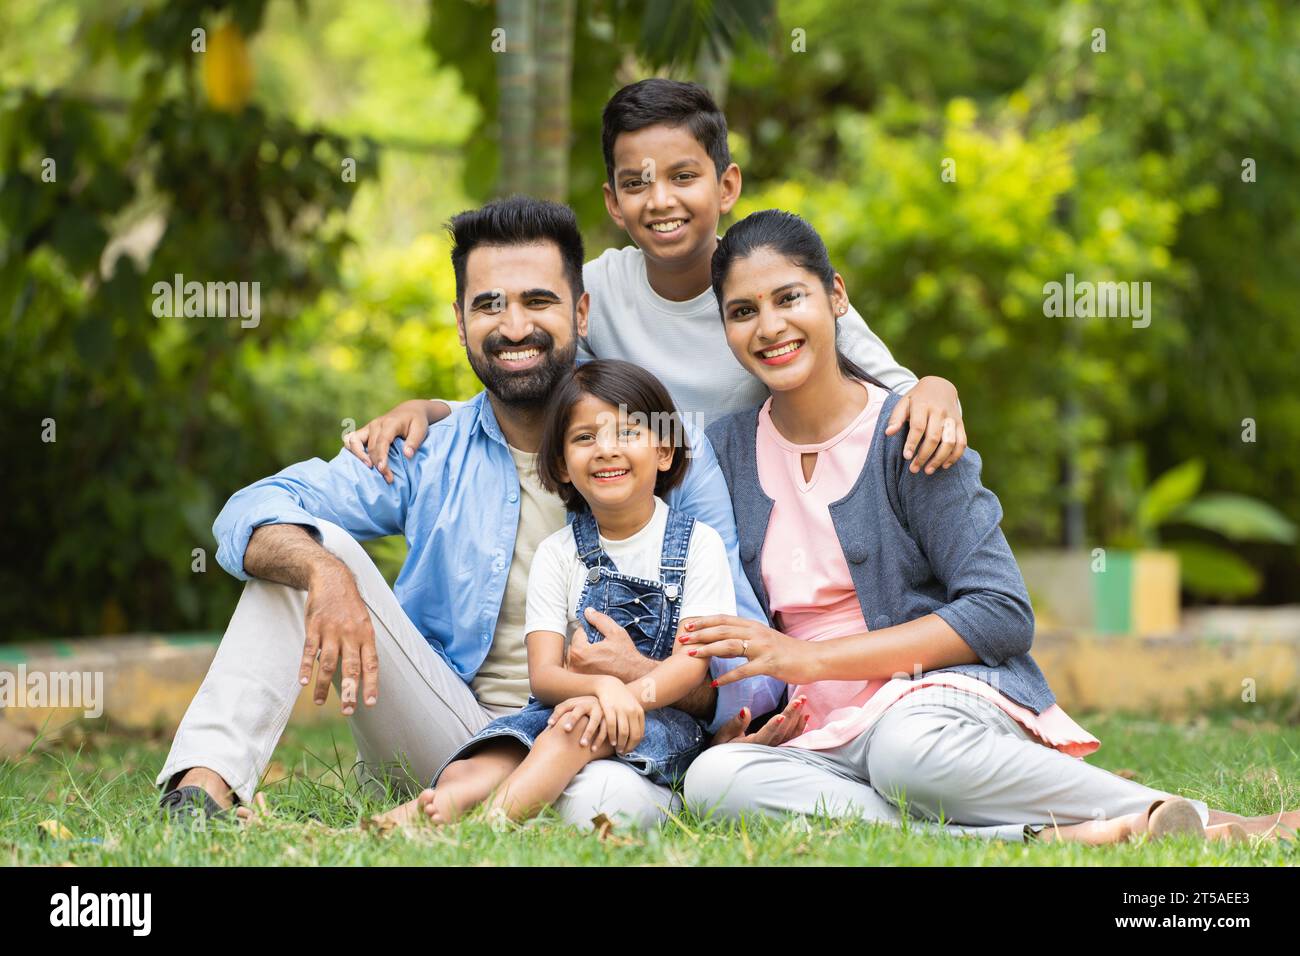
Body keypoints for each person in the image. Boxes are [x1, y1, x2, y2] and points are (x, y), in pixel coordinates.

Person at [155, 196, 796, 831]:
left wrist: (645, 678)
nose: (514, 326)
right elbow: (248, 511)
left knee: (611, 804)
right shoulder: (424, 449)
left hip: (604, 729)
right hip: (445, 727)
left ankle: (499, 813)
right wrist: (326, 576)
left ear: (580, 310)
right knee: (306, 546)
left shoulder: (658, 446)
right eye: (490, 305)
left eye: (538, 301)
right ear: (460, 322)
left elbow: (744, 664)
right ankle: (199, 795)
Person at [680, 209, 1298, 844]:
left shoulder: (912, 431)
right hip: (822, 734)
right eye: (743, 311)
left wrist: (810, 659)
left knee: (905, 753)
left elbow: (1002, 610)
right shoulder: (725, 452)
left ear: (836, 295)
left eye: (790, 297)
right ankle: (1059, 837)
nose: (770, 326)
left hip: (933, 703)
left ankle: (1195, 815)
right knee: (715, 779)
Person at [346, 79, 968, 482]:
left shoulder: (768, 291)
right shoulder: (594, 294)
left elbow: (897, 392)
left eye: (682, 176)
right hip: (637, 523)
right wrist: (428, 409)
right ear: (614, 203)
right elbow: (529, 399)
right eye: (637, 183)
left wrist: (939, 386)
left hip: (761, 514)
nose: (660, 200)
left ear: (726, 186)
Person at [375, 360, 735, 826]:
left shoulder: (698, 544)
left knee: (576, 726)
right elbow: (544, 675)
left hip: (661, 721)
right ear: (563, 466)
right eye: (585, 438)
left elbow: (691, 663)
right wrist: (602, 686)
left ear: (664, 452)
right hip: (564, 706)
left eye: (627, 433)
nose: (605, 450)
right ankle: (425, 811)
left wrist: (634, 694)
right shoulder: (559, 552)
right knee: (490, 756)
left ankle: (490, 827)